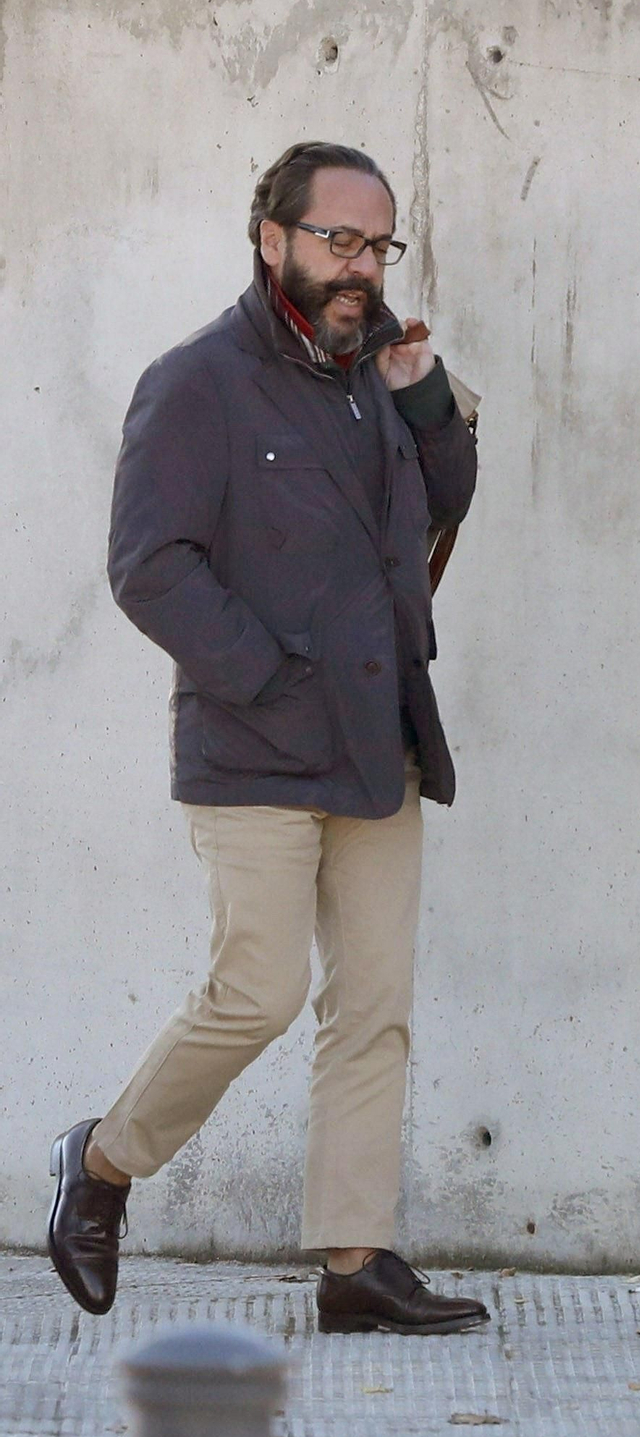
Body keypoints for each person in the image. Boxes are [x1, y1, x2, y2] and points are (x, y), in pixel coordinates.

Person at [47, 141, 489, 1337]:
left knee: (375, 1004)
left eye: (377, 243)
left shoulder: (370, 374)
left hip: (380, 736)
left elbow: (440, 505)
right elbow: (149, 565)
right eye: (337, 239)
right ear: (273, 239)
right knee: (257, 991)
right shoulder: (198, 381)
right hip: (255, 746)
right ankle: (101, 1164)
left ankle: (356, 1259)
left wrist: (422, 397)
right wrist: (268, 676)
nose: (359, 264)